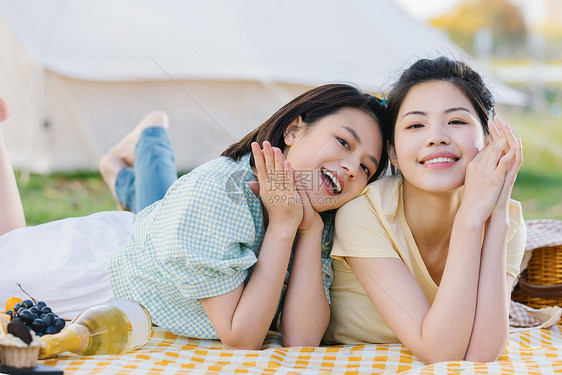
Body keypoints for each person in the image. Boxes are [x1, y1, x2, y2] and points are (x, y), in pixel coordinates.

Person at [0, 84, 389, 350]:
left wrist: (307, 231)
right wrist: (284, 228)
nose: (352, 167)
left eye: (367, 168)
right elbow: (242, 337)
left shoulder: (317, 219)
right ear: (292, 130)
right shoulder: (221, 192)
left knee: (11, 241)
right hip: (98, 272)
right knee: (8, 253)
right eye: (342, 142)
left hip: (148, 258)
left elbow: (302, 340)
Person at [323, 57, 525, 364]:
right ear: (392, 151)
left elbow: (483, 354)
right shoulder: (366, 212)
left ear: (488, 140)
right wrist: (469, 219)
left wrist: (495, 217)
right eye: (416, 125)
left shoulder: (506, 220)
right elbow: (440, 354)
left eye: (456, 121)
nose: (436, 136)